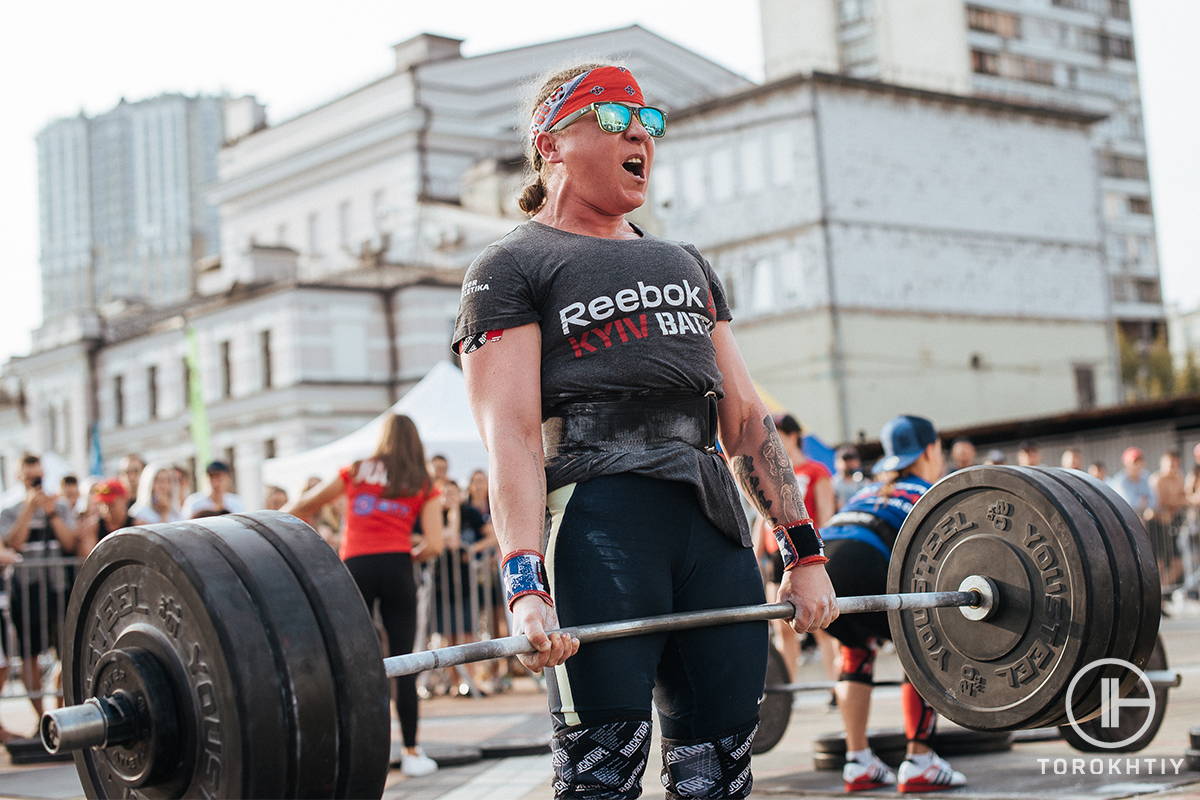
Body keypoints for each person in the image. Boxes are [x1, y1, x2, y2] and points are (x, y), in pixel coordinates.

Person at [452, 62, 837, 799]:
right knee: (601, 777)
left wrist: (802, 548)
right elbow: (513, 437)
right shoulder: (510, 266)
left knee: (720, 772)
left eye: (648, 120)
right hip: (598, 532)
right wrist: (525, 583)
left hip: (711, 533)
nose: (639, 132)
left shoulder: (683, 261)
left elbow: (747, 419)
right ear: (551, 144)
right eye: (612, 116)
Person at [284, 413, 445, 777]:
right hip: (397, 567)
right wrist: (408, 553)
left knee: (355, 658)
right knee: (406, 659)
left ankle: (357, 750)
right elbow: (434, 543)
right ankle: (412, 750)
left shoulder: (356, 471)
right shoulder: (421, 481)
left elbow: (302, 504)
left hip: (356, 566)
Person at [820, 415, 967, 792]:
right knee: (923, 647)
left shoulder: (865, 491)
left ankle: (858, 762)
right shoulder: (930, 493)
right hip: (867, 559)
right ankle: (919, 761)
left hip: (824, 564)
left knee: (854, 649)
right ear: (930, 450)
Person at [752, 413, 835, 682]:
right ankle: (787, 691)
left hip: (808, 553)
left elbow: (826, 516)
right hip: (776, 554)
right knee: (781, 628)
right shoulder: (765, 474)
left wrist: (820, 556)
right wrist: (755, 554)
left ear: (793, 435)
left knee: (821, 625)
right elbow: (760, 519)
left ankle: (835, 685)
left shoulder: (815, 471)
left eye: (778, 435)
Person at [0, 454, 76, 719]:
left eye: (39, 477)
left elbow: (69, 543)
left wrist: (51, 512)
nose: (36, 483)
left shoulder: (60, 507)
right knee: (29, 653)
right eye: (31, 478)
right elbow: (13, 543)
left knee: (65, 651)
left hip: (57, 587)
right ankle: (39, 716)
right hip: (25, 588)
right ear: (20, 477)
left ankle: (60, 714)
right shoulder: (10, 510)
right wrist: (29, 509)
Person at [1150, 451, 1187, 592]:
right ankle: (1155, 593)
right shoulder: (1157, 479)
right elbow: (1162, 502)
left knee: (1177, 564)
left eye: (1176, 464)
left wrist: (1176, 501)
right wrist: (1177, 501)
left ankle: (1160, 593)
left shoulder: (1179, 478)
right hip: (1156, 526)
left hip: (1171, 525)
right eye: (1171, 464)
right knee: (1158, 563)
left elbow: (1183, 499)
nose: (1173, 467)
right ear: (1163, 464)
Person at [77, 479, 136, 556]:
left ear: (124, 500)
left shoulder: (138, 525)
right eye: (103, 504)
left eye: (111, 504)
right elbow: (90, 561)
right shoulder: (92, 528)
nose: (107, 508)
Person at [1109, 447, 1156, 518]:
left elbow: (1154, 501)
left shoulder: (1146, 476)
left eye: (1140, 461)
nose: (1138, 465)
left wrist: (1148, 508)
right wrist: (1143, 501)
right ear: (1126, 464)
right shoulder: (1120, 481)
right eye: (1135, 462)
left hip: (1142, 516)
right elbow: (1129, 504)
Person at [833, 445, 866, 510]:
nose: (849, 463)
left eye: (851, 459)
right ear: (837, 462)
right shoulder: (832, 484)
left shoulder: (864, 482)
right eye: (845, 460)